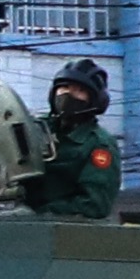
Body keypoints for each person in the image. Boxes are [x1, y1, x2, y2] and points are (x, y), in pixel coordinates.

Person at [22, 59, 123, 222]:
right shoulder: (37, 129)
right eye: (64, 87)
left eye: (79, 90)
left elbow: (95, 204)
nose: (68, 94)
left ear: (94, 100)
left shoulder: (99, 144)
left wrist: (42, 212)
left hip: (60, 229)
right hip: (18, 217)